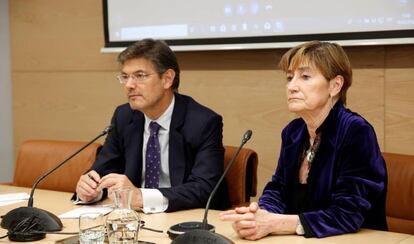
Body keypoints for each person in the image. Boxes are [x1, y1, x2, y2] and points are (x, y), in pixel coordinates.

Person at [220, 41, 388, 239]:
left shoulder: (355, 131)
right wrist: (260, 214)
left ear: (335, 85)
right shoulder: (293, 132)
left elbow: (348, 214)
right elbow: (278, 189)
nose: (291, 87)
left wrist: (275, 223)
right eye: (290, 78)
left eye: (305, 77)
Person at [74, 39, 229, 213]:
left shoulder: (202, 122)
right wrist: (91, 190)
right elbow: (103, 170)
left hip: (183, 218)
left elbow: (204, 188)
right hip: (132, 218)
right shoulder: (124, 117)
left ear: (167, 79)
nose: (129, 85)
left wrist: (142, 197)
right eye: (125, 76)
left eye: (140, 76)